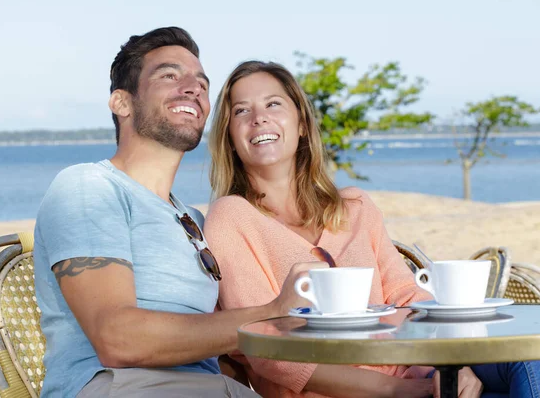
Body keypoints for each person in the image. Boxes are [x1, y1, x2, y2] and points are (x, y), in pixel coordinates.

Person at [203, 60, 540, 398]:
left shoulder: (356, 207)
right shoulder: (231, 218)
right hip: (355, 392)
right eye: (241, 111)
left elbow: (407, 296)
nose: (258, 117)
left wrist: (451, 366)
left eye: (273, 103)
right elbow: (267, 353)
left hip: (418, 368)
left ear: (302, 124)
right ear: (230, 137)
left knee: (530, 361)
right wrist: (399, 390)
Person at [34, 28, 324, 398]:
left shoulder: (195, 221)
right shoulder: (89, 187)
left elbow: (222, 353)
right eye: (170, 76)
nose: (193, 89)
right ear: (121, 102)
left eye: (201, 83)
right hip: (119, 386)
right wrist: (272, 313)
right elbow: (119, 340)